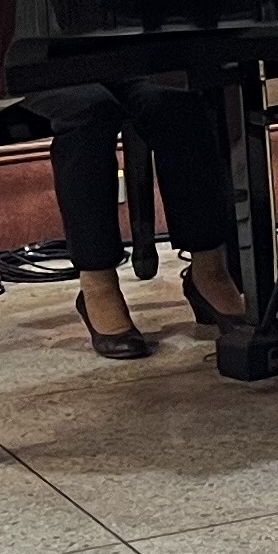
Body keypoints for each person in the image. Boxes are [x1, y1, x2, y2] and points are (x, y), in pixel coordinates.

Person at [39, 83, 245, 357]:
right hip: (30, 73)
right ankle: (97, 285)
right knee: (88, 108)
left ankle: (209, 271)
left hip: (116, 64)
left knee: (176, 99)